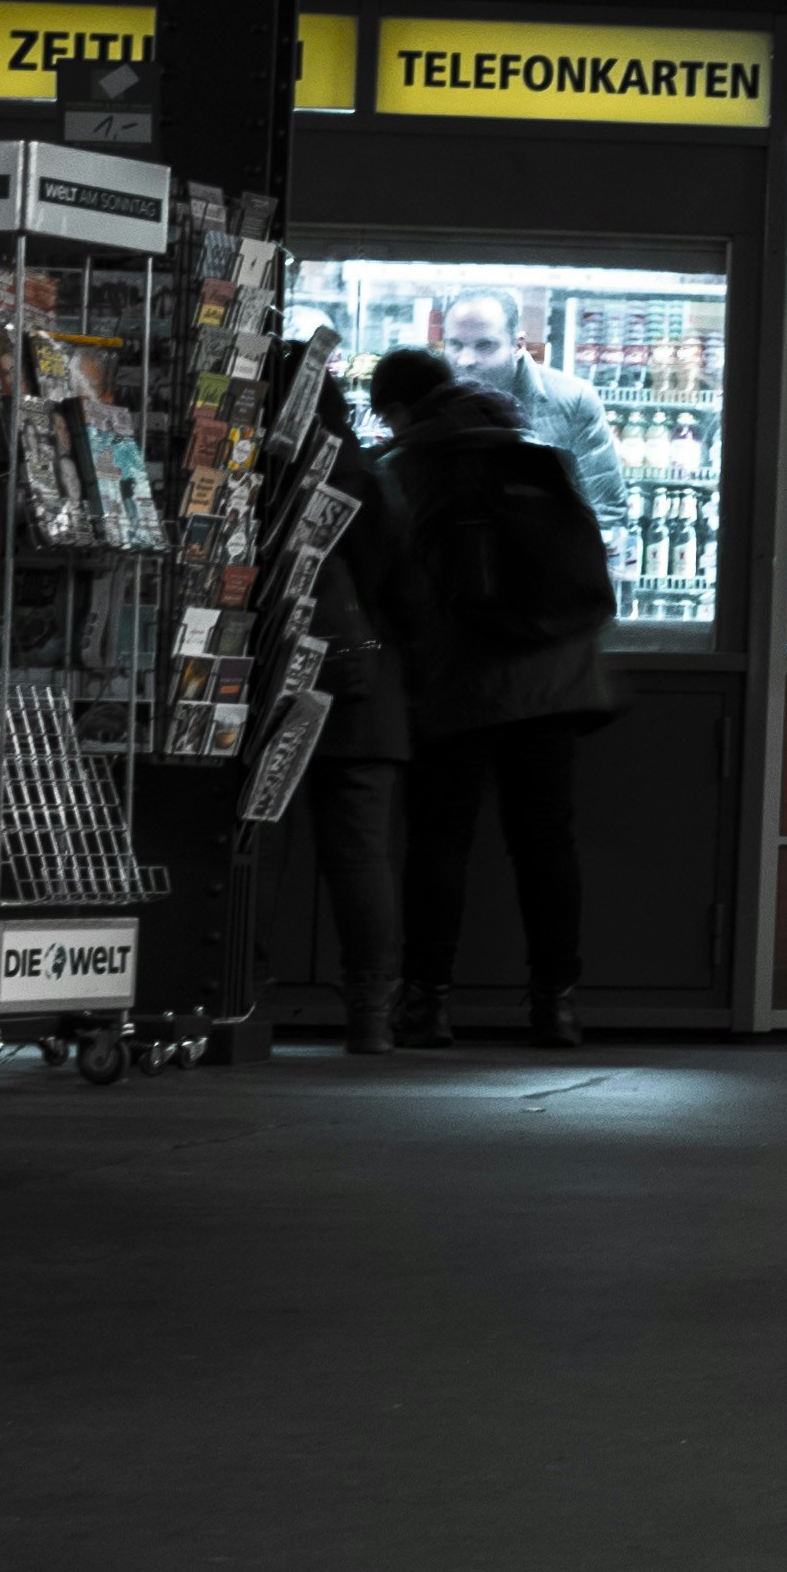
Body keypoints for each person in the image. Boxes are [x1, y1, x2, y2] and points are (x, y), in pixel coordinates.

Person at [374, 348, 620, 1049]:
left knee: (439, 841)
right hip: (557, 679)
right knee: (545, 843)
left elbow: (397, 587)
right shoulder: (541, 453)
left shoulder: (405, 470)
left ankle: (427, 1002)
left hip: (462, 681)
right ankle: (556, 1005)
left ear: (397, 410)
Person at [299, 348, 424, 1048]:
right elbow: (403, 591)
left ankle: (238, 992)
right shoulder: (367, 477)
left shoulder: (264, 475)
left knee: (250, 845)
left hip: (269, 687)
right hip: (362, 690)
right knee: (358, 854)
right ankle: (370, 1013)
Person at [433, 290, 629, 540]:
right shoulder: (430, 400)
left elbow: (606, 511)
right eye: (455, 344)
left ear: (518, 345)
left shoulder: (573, 400)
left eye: (485, 345)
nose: (466, 360)